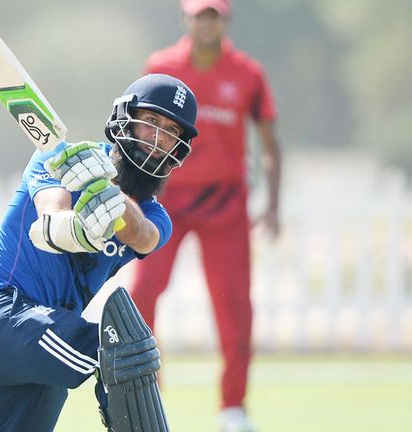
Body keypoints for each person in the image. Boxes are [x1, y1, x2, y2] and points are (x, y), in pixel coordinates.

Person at [0, 73, 198, 432]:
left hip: (44, 331)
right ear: (124, 119)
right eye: (151, 122)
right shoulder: (61, 158)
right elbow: (52, 221)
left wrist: (110, 197)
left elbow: (143, 236)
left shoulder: (155, 216)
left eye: (171, 132)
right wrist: (77, 216)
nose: (158, 139)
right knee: (120, 348)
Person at [130, 0, 282, 431]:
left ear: (225, 19)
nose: (207, 24)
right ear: (187, 19)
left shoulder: (247, 73)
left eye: (214, 15)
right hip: (167, 198)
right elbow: (137, 133)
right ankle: (149, 392)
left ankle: (233, 408)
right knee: (142, 295)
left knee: (234, 306)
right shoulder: (162, 66)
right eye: (200, 16)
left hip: (225, 204)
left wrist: (272, 205)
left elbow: (270, 144)